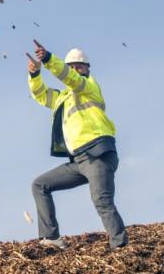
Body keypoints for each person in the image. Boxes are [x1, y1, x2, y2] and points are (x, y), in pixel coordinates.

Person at [26, 39, 128, 250]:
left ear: (87, 68)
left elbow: (70, 78)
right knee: (40, 185)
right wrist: (35, 75)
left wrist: (48, 59)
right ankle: (51, 238)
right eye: (71, 66)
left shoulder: (88, 86)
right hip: (78, 160)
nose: (74, 69)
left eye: (79, 66)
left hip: (97, 154)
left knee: (102, 201)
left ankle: (120, 247)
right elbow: (41, 95)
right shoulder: (63, 97)